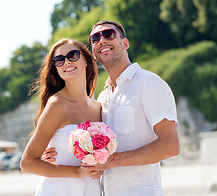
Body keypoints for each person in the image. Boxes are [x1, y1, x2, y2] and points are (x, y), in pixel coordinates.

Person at [43, 20, 180, 196]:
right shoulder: (102, 97)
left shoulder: (149, 83)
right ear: (93, 52)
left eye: (108, 34)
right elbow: (93, 152)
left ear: (125, 43)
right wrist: (58, 154)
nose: (102, 40)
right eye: (95, 38)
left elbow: (170, 145)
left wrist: (111, 161)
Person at [20, 38, 102, 196]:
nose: (66, 62)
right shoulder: (57, 105)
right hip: (59, 190)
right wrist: (77, 172)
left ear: (86, 59)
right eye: (59, 60)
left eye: (73, 55)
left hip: (91, 189)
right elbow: (27, 163)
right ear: (56, 68)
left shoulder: (98, 107)